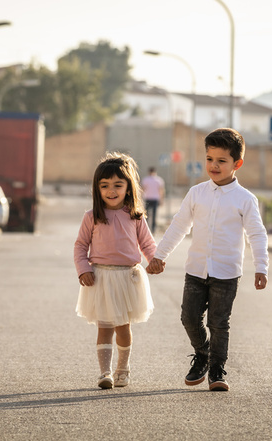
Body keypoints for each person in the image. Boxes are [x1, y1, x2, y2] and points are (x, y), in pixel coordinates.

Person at [147, 128, 269, 392]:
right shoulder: (197, 193)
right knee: (189, 317)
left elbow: (256, 234)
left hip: (226, 273)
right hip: (196, 270)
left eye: (221, 161)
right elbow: (179, 226)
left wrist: (261, 267)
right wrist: (159, 255)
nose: (214, 165)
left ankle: (216, 368)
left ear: (237, 164)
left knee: (218, 322)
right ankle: (202, 353)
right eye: (210, 159)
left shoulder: (245, 200)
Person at [74, 152, 157, 389]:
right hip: (100, 277)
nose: (111, 190)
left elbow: (148, 244)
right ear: (97, 189)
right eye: (105, 185)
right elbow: (80, 246)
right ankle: (104, 373)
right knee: (104, 327)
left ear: (128, 188)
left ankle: (123, 368)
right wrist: (83, 269)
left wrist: (155, 260)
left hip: (127, 278)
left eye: (118, 185)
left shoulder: (135, 216)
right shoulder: (92, 217)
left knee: (123, 327)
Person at [141, 167, 165, 234]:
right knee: (154, 215)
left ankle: (145, 230)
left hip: (148, 198)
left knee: (146, 215)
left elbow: (143, 189)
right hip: (155, 199)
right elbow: (161, 191)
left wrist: (140, 198)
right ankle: (153, 230)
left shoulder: (146, 179)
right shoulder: (159, 180)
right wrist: (161, 200)